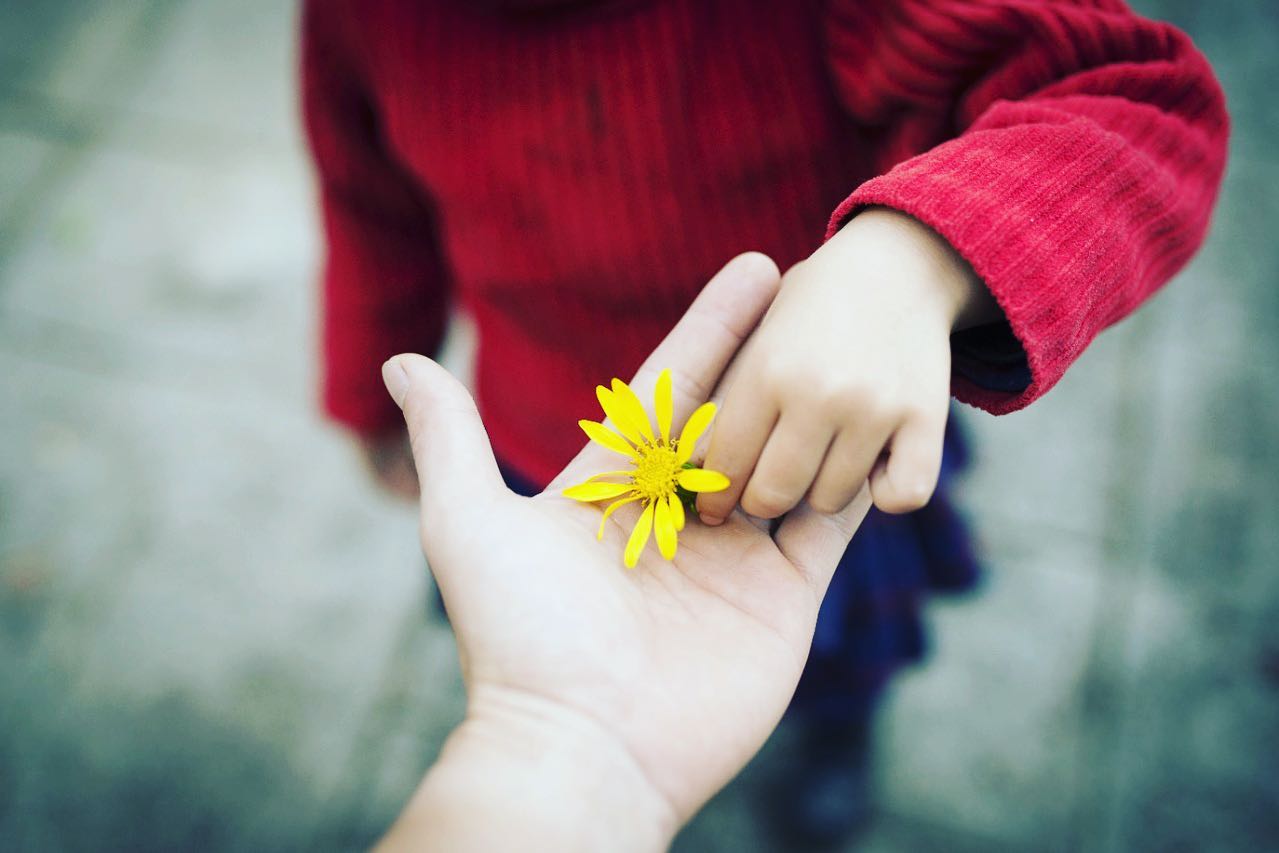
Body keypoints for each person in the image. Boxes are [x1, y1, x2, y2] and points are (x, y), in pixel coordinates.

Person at [302, 0, 1227, 842]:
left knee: (829, 642)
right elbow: (369, 206)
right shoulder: (363, 20)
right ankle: (572, 710)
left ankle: (830, 734)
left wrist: (917, 258)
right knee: (532, 613)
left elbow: (1141, 101)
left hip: (811, 468)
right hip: (544, 447)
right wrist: (368, 384)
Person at [374, 259, 872, 851]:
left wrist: (910, 254)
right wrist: (548, 726)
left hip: (813, 389)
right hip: (526, 413)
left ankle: (838, 731)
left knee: (846, 634)